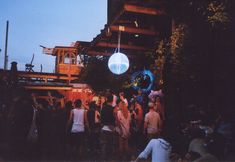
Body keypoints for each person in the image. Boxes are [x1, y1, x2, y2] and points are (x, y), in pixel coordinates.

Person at [100, 94, 116, 160]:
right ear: (112, 101)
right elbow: (114, 119)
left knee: (104, 143)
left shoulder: (103, 108)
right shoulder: (113, 109)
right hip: (111, 128)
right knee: (110, 144)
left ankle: (103, 158)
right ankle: (110, 158)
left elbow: (101, 117)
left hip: (104, 127)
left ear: (106, 100)